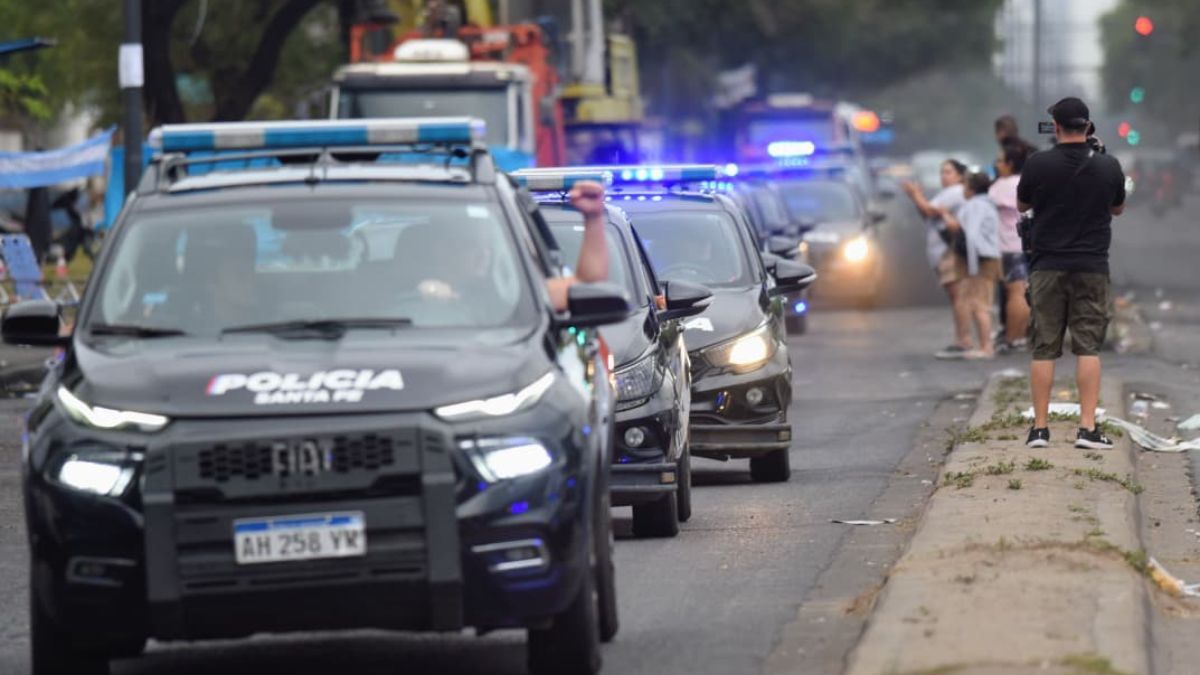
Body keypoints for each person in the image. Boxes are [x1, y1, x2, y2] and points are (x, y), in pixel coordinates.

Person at [1016, 97, 1126, 450]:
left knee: (1044, 347)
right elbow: (1118, 208)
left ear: (1057, 126)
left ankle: (1040, 430)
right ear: (1088, 126)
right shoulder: (1108, 165)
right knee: (1088, 347)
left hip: (1047, 265)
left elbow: (1022, 205)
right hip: (1092, 265)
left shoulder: (1038, 164)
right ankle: (1087, 428)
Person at [902, 159, 970, 359]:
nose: (943, 176)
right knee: (955, 296)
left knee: (958, 296)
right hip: (940, 252)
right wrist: (917, 198)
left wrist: (915, 195)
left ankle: (964, 340)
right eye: (942, 172)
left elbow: (929, 210)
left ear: (959, 175)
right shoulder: (945, 193)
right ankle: (961, 338)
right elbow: (928, 215)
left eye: (948, 172)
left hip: (948, 252)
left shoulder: (955, 192)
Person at [941, 173, 1001, 359]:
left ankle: (986, 346)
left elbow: (972, 236)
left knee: (979, 304)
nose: (962, 191)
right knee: (977, 302)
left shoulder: (976, 206)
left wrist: (972, 266)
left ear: (972, 189)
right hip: (982, 259)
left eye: (965, 187)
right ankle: (984, 344)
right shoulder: (985, 204)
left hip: (979, 261)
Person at [989, 141, 1031, 350]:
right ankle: (1020, 336)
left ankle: (1013, 338)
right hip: (1024, 245)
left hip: (1009, 247)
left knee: (1016, 293)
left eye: (999, 161)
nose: (996, 165)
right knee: (1022, 291)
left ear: (1010, 163)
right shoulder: (1025, 182)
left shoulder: (1002, 186)